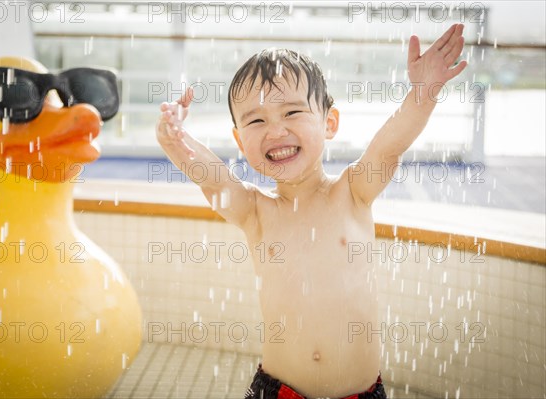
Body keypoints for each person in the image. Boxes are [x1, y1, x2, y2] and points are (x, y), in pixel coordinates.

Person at [156, 24, 467, 399]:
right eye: (256, 120)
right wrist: (173, 138)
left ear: (329, 123)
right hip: (277, 390)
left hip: (360, 392)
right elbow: (213, 180)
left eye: (292, 112)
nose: (275, 130)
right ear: (239, 140)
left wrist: (424, 91)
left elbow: (390, 146)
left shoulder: (353, 192)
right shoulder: (256, 212)